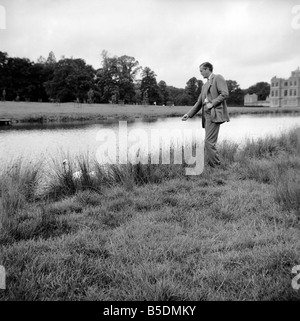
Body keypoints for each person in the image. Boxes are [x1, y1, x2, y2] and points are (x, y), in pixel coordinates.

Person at [182, 62, 229, 168]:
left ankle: (217, 167)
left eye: (201, 70)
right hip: (206, 116)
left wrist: (212, 104)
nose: (201, 73)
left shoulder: (218, 78)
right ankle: (214, 166)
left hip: (214, 114)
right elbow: (199, 103)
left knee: (209, 142)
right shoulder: (204, 86)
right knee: (209, 142)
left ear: (208, 69)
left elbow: (225, 93)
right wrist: (188, 115)